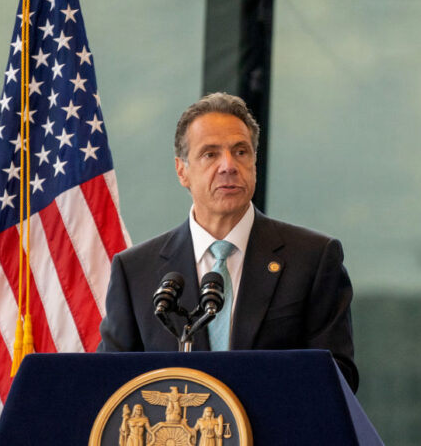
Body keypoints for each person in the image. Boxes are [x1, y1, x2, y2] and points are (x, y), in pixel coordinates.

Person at [97, 92, 358, 391]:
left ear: (254, 163)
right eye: (210, 154)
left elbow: (339, 379)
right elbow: (110, 384)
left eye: (241, 152)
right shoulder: (135, 272)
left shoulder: (313, 259)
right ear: (182, 171)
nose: (228, 166)